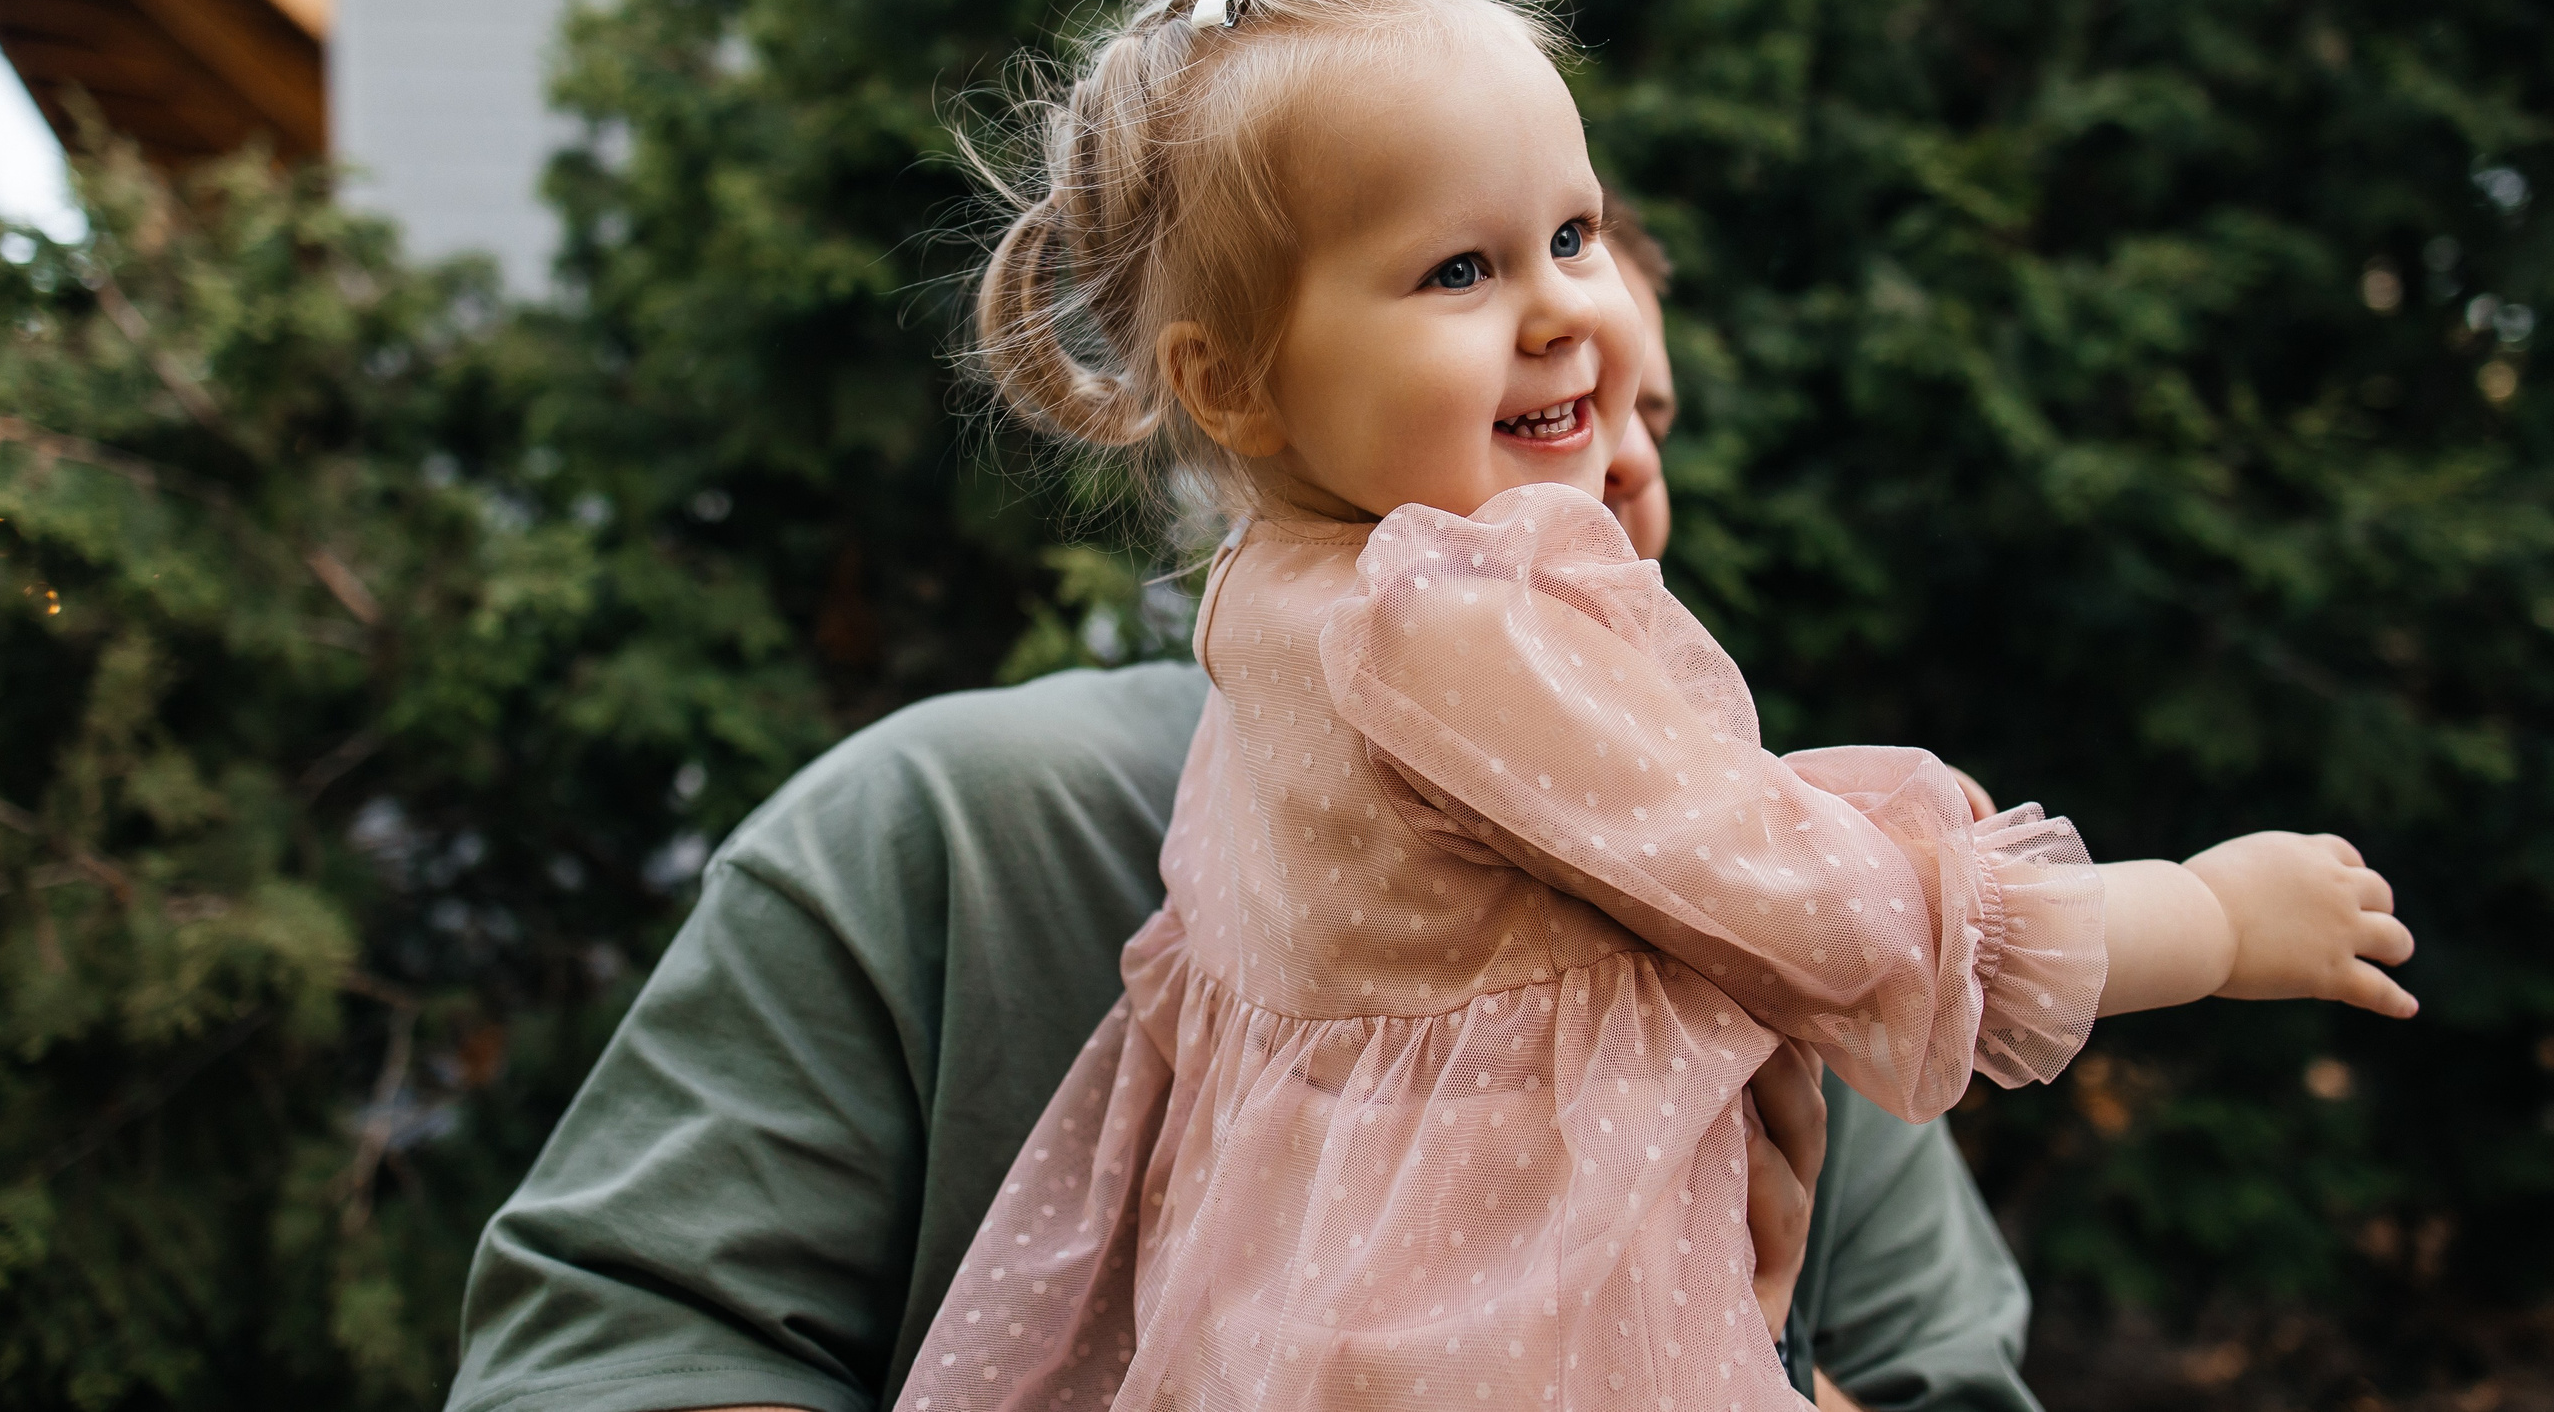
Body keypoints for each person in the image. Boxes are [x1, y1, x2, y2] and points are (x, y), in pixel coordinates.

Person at [874, 0, 2415, 1412]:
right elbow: (1839, 909)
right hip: (1518, 1343)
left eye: (1569, 233)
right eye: (1458, 273)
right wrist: (2206, 918)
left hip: (1298, 1326)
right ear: (1238, 381)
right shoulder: (1450, 621)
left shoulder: (1264, 605)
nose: (1560, 310)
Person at [447, 207, 2034, 1412]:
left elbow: (1947, 1378)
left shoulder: (1799, 925)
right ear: (1265, 416)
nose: (1621, 476)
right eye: (1540, 417)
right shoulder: (942, 842)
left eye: (1647, 420)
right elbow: (615, 1358)